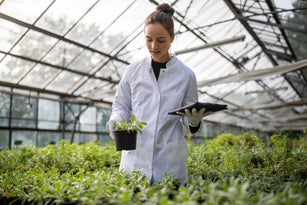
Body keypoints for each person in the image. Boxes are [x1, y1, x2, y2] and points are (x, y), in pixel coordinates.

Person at [106, 3, 208, 185]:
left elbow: (188, 119)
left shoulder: (186, 75)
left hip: (169, 162)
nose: (154, 46)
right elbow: (121, 105)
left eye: (161, 40)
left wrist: (194, 121)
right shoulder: (133, 71)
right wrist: (116, 122)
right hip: (135, 159)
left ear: (172, 38)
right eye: (148, 39)